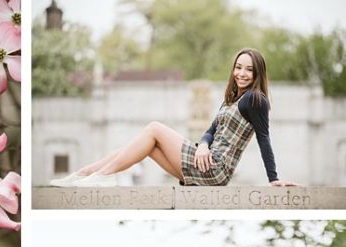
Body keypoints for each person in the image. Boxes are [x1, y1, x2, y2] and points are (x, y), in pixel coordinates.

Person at [51, 48, 294, 187]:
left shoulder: (256, 100)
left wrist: (274, 178)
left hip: (216, 169)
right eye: (238, 67)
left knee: (154, 128)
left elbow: (264, 139)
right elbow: (210, 130)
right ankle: (82, 175)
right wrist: (204, 146)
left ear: (257, 73)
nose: (241, 73)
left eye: (249, 69)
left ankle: (100, 178)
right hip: (205, 160)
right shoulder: (230, 100)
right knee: (144, 145)